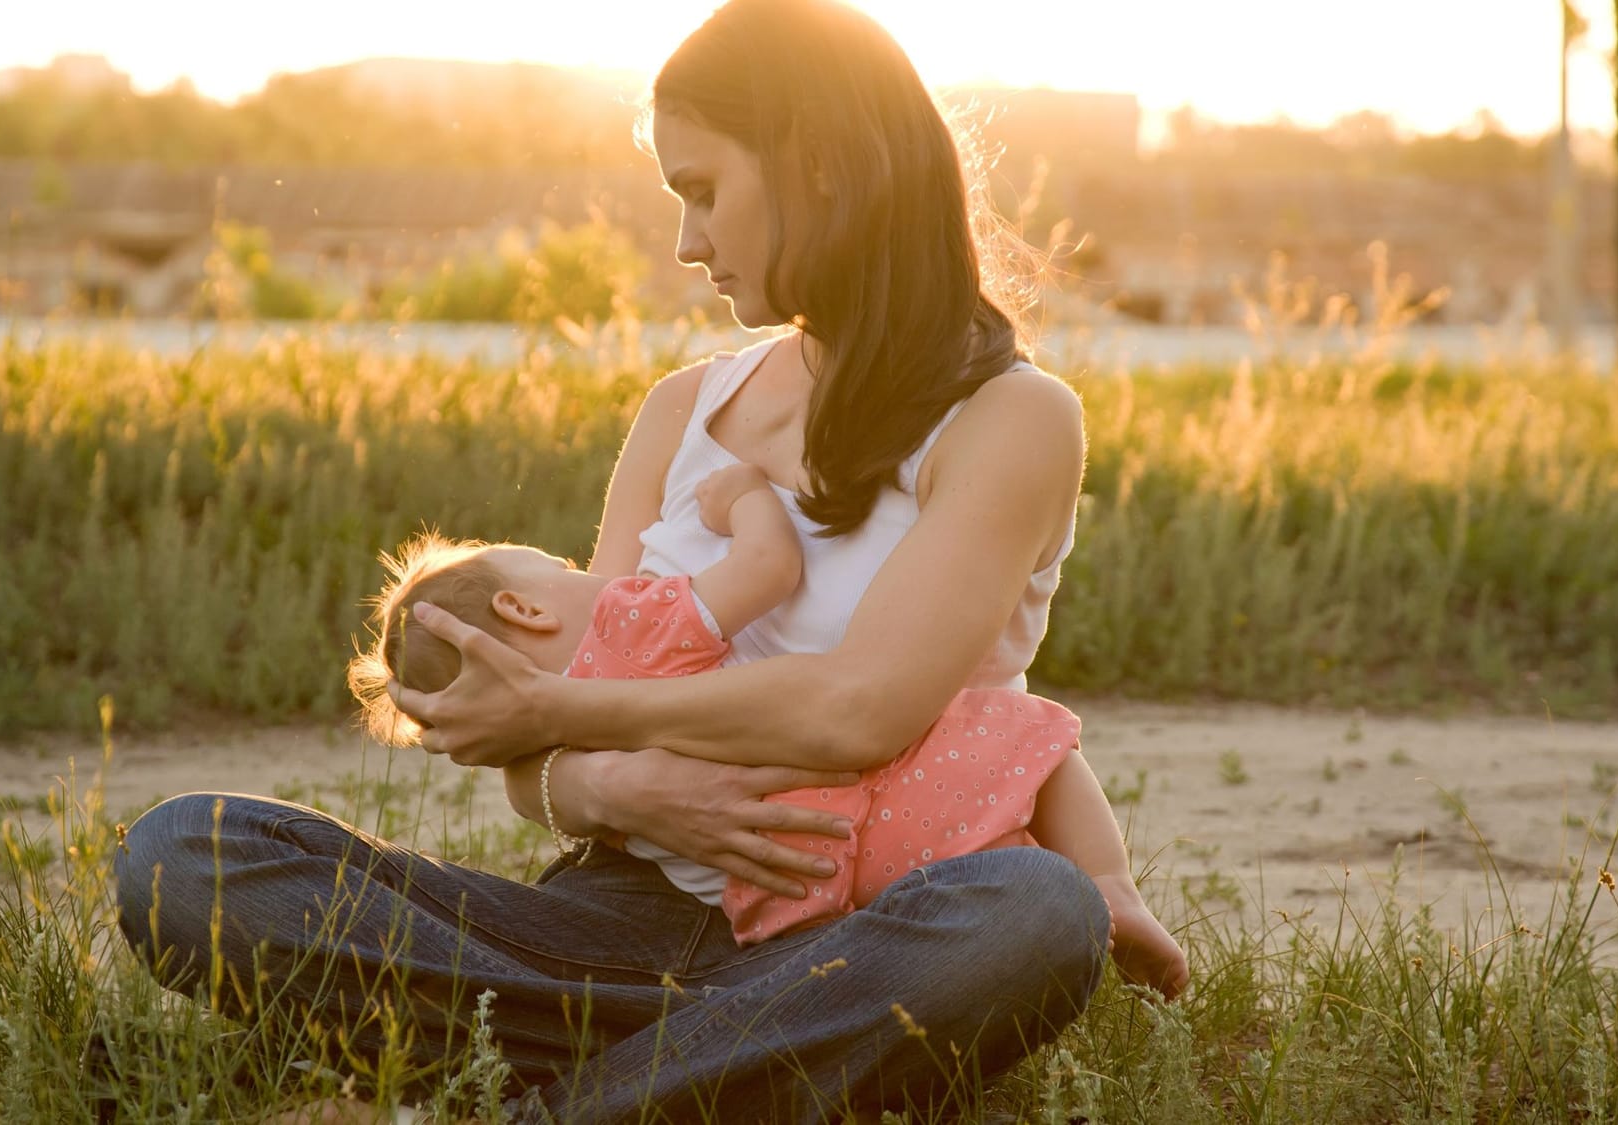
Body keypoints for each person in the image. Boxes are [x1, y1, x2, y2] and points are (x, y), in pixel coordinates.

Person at [115, 1, 1187, 1120]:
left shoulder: (1009, 418)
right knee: (187, 854)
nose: (686, 239)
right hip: (601, 926)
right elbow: (548, 751)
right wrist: (605, 779)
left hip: (852, 937)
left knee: (1030, 913)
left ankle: (550, 1080)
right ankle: (698, 1074)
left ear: (818, 167)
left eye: (702, 190)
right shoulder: (683, 409)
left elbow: (857, 712)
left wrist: (563, 726)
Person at [347, 474, 1170, 954]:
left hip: (787, 904)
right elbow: (767, 568)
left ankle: (700, 1048)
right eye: (557, 567)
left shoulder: (558, 725)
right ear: (525, 610)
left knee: (1003, 899)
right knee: (1031, 751)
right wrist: (744, 496)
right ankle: (1111, 889)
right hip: (871, 787)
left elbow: (540, 781)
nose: (587, 571)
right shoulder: (631, 620)